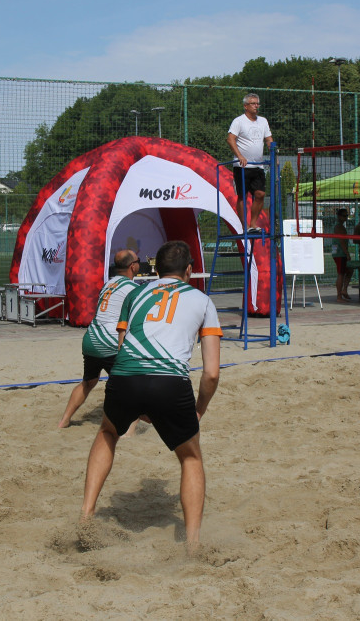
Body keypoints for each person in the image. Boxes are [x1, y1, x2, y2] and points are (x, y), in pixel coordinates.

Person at [81, 240, 222, 553]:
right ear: (188, 270)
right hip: (170, 382)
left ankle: (86, 517)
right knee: (190, 456)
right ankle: (192, 543)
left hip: (126, 375)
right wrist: (200, 408)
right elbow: (211, 372)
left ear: (154, 270)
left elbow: (121, 346)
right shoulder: (202, 301)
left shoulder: (135, 293)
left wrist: (136, 396)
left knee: (107, 432)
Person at [58, 249, 141, 428]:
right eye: (138, 261)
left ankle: (64, 421)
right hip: (109, 341)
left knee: (88, 382)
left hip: (91, 338)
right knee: (133, 386)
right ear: (132, 267)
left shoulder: (108, 284)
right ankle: (130, 431)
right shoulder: (133, 289)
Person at [226, 93, 273, 233]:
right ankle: (244, 225)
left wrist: (273, 152)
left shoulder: (263, 121)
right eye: (253, 103)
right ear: (245, 106)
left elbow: (269, 139)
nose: (256, 106)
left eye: (257, 103)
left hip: (258, 165)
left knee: (260, 194)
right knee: (242, 195)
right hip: (242, 166)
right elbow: (230, 139)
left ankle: (253, 224)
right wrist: (239, 156)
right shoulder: (239, 121)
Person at [332, 208, 352, 302]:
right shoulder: (339, 227)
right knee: (341, 273)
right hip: (340, 253)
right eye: (344, 215)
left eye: (347, 215)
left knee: (349, 270)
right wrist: (347, 253)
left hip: (339, 253)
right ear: (339, 216)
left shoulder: (340, 226)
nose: (346, 217)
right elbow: (342, 241)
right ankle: (339, 296)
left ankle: (344, 290)